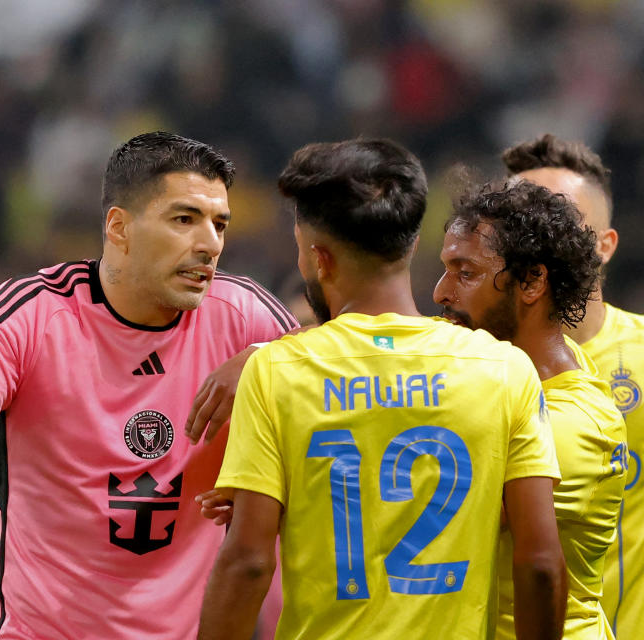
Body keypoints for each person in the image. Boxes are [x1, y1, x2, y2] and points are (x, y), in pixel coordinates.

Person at [0, 131, 299, 639]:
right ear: (119, 227)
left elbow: (338, 376)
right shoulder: (28, 315)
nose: (209, 243)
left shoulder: (248, 320)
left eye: (219, 224)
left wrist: (263, 358)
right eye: (184, 219)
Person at [198, 139, 566, 640]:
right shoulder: (504, 370)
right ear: (412, 245)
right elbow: (541, 563)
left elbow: (247, 565)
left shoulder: (276, 372)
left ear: (318, 259)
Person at [433, 179, 627, 639]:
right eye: (445, 269)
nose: (440, 292)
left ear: (532, 281)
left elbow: (420, 509)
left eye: (466, 273)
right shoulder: (523, 372)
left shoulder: (572, 423)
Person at [502, 134, 643, 636]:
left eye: (560, 225)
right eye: (519, 228)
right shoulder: (475, 366)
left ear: (604, 246)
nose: (537, 243)